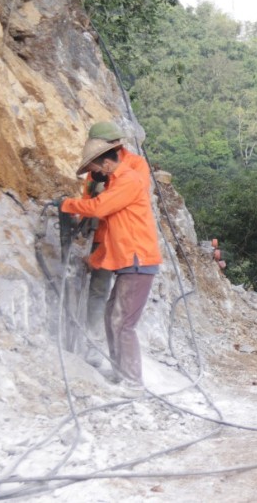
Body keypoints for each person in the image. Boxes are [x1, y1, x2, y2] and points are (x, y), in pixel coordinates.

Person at [59, 137, 161, 394]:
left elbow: (99, 207)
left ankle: (132, 381)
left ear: (106, 163)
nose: (93, 174)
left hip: (138, 261)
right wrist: (93, 260)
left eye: (94, 168)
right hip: (129, 261)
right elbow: (114, 234)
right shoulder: (117, 182)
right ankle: (120, 372)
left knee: (122, 321)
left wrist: (66, 204)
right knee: (111, 315)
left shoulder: (128, 180)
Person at [80, 121, 150, 368]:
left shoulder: (135, 165)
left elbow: (126, 200)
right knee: (98, 291)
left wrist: (101, 203)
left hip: (123, 241)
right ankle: (94, 344)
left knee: (120, 301)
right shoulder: (96, 168)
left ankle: (123, 362)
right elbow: (89, 198)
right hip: (101, 236)